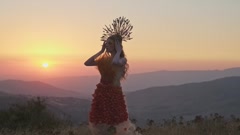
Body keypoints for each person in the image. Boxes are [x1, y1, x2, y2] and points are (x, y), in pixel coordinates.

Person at [84, 17, 140, 135]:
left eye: (110, 43)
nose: (107, 45)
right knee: (102, 120)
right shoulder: (105, 60)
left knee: (116, 120)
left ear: (117, 45)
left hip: (114, 93)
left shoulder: (122, 60)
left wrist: (119, 51)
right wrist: (101, 51)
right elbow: (87, 63)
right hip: (102, 92)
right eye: (106, 43)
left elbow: (115, 62)